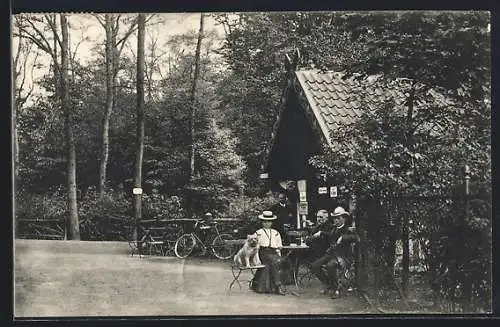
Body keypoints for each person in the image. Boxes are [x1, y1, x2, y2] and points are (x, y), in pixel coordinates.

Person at [309, 206, 359, 299]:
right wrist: (322, 233)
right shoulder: (334, 229)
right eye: (335, 218)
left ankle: (337, 288)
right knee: (314, 266)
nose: (336, 220)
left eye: (338, 218)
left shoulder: (348, 229)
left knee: (330, 265)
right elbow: (329, 236)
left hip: (342, 256)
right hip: (331, 254)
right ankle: (328, 283)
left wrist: (343, 237)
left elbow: (356, 238)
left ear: (344, 218)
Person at [250, 210, 287, 296]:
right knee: (272, 260)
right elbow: (254, 246)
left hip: (274, 252)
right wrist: (256, 258)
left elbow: (279, 246)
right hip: (263, 252)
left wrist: (279, 255)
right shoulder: (258, 233)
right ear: (262, 222)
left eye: (269, 222)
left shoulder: (276, 233)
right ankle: (278, 285)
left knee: (277, 261)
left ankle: (273, 285)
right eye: (265, 222)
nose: (267, 224)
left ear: (272, 222)